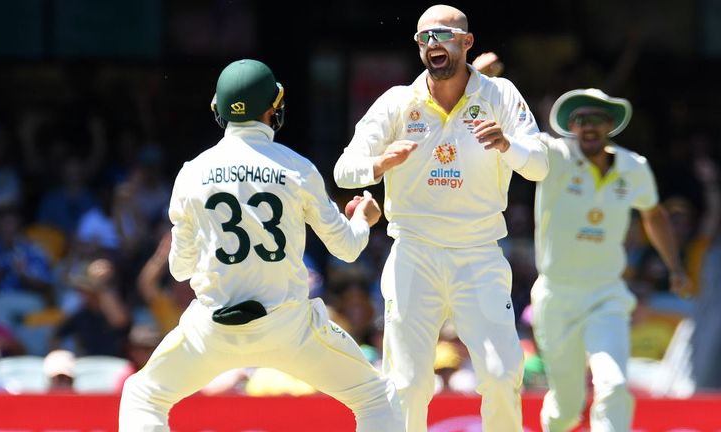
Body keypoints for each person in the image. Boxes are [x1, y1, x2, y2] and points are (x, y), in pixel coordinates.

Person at [119, 59, 404, 432]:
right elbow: (347, 249)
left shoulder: (192, 172)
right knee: (376, 398)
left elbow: (180, 269)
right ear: (275, 107)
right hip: (288, 326)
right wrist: (362, 220)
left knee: (143, 396)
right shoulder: (297, 167)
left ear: (218, 110)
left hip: (214, 327)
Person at [333, 5, 548, 431]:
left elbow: (541, 165)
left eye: (444, 36)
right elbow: (344, 169)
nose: (433, 45)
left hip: (479, 255)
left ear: (467, 42)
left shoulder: (500, 96)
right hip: (414, 253)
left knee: (502, 375)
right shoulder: (397, 102)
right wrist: (378, 165)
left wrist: (508, 145)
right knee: (408, 383)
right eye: (425, 38)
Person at [530, 88, 690, 431]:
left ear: (610, 125)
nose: (589, 126)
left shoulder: (633, 166)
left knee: (615, 384)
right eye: (581, 119)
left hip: (606, 295)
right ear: (571, 125)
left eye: (597, 119)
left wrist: (675, 268)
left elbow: (653, 214)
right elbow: (523, 146)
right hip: (557, 297)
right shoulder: (554, 155)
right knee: (567, 407)